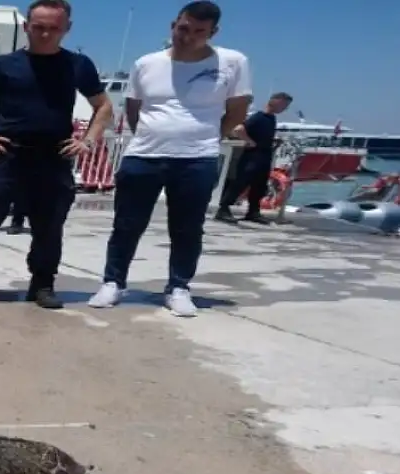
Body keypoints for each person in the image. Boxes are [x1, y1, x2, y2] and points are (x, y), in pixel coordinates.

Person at [87, 1, 251, 317]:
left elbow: (238, 109)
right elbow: (133, 109)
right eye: (183, 28)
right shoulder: (146, 63)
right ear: (173, 25)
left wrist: (208, 136)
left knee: (188, 228)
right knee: (126, 224)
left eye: (198, 32)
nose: (187, 37)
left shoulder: (233, 62)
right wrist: (152, 135)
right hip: (144, 155)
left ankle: (178, 287)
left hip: (196, 158)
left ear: (213, 32)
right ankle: (113, 282)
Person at [0, 0, 113, 309]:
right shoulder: (3, 65)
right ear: (27, 27)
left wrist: (87, 141)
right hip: (6, 156)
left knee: (50, 228)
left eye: (54, 28)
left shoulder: (78, 65)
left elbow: (103, 107)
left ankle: (43, 284)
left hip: (53, 158)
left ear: (67, 29)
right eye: (39, 27)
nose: (46, 34)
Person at [214, 91, 293, 224]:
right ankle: (223, 209)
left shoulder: (271, 118)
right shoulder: (259, 116)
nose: (285, 109)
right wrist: (249, 141)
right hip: (253, 155)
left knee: (259, 184)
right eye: (284, 105)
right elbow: (239, 129)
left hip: (265, 155)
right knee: (241, 182)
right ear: (275, 102)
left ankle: (253, 211)